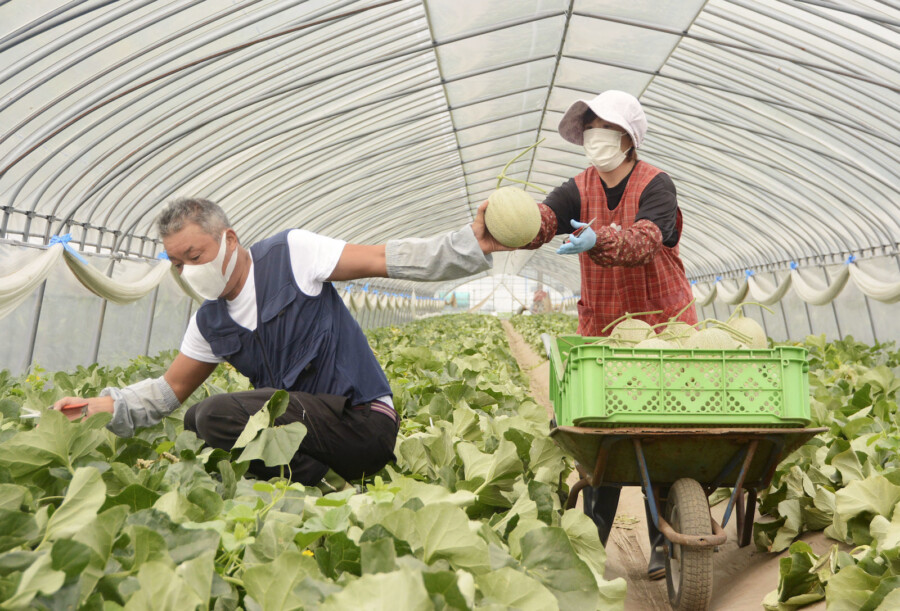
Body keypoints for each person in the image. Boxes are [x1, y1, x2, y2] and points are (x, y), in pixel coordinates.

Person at [53, 197, 508, 485]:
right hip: (301, 438)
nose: (187, 270)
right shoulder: (210, 322)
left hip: (362, 423)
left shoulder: (292, 254)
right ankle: (324, 483)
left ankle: (327, 479)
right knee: (199, 424)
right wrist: (99, 408)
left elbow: (382, 258)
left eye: (195, 256)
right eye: (177, 263)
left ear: (229, 239)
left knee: (214, 413)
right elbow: (167, 391)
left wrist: (467, 244)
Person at [519, 90, 697, 580]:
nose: (595, 136)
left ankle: (664, 542)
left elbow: (644, 242)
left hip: (663, 330)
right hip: (602, 329)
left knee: (665, 436)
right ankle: (595, 544)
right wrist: (515, 220)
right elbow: (547, 218)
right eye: (590, 127)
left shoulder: (657, 184)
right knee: (601, 437)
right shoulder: (579, 186)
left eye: (605, 128)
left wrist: (601, 237)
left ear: (627, 138)